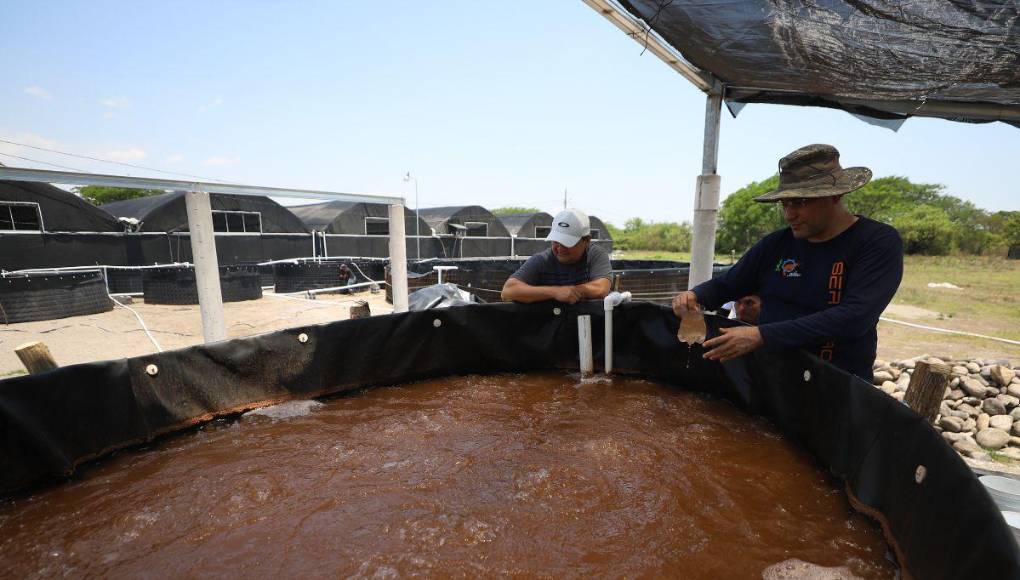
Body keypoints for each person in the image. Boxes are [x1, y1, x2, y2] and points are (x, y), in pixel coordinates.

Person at [672, 144, 903, 381]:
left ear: (835, 196)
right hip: (772, 380)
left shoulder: (876, 242)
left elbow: (854, 317)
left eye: (800, 202)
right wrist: (695, 295)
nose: (789, 214)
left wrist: (762, 335)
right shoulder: (776, 244)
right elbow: (728, 284)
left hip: (836, 383)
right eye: (785, 203)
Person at [501, 208, 612, 304]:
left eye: (567, 243)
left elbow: (601, 288)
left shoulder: (595, 255)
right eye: (556, 241)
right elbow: (508, 291)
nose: (560, 248)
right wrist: (556, 292)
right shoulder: (542, 260)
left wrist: (573, 291)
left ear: (586, 240)